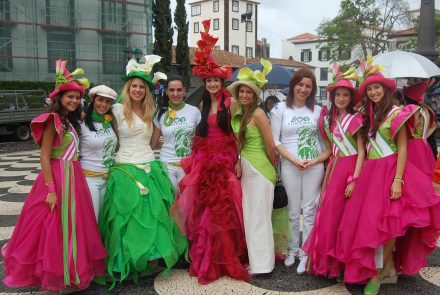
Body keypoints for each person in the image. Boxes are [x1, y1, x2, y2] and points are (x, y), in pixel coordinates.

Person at [335, 57, 440, 295]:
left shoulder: (397, 113)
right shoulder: (370, 117)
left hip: (390, 171)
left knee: (390, 222)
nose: (373, 92)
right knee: (369, 222)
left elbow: (403, 148)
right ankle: (373, 268)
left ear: (386, 89)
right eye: (369, 89)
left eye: (377, 88)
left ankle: (382, 270)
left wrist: (398, 180)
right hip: (371, 174)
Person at [2, 60, 107, 292]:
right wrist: (50, 189)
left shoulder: (72, 122)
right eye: (70, 97)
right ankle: (57, 275)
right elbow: (44, 158)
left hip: (75, 176)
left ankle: (71, 272)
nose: (75, 101)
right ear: (60, 98)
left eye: (78, 97)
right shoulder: (51, 121)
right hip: (58, 177)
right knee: (53, 226)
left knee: (74, 226)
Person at [98, 55, 188, 288]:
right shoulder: (116, 110)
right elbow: (109, 138)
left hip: (149, 165)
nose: (138, 90)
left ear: (147, 91)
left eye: (142, 87)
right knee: (127, 216)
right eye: (134, 86)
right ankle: (125, 261)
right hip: (125, 167)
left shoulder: (152, 111)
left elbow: (158, 141)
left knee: (154, 214)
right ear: (128, 88)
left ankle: (150, 258)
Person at [171, 19, 249, 284]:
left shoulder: (232, 103)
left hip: (225, 162)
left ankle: (227, 256)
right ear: (205, 84)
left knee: (225, 210)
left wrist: (237, 160)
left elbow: (236, 134)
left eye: (216, 81)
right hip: (205, 161)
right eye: (209, 81)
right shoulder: (204, 103)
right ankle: (207, 256)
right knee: (205, 211)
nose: (213, 84)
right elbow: (200, 133)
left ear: (221, 81)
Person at [302, 65, 365, 279]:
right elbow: (330, 149)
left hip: (351, 170)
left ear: (351, 97)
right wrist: (314, 161)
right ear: (333, 97)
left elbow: (362, 152)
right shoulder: (329, 120)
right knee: (329, 216)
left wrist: (354, 179)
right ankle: (328, 262)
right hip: (333, 170)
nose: (341, 98)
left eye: (345, 94)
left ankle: (344, 264)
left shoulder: (357, 120)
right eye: (338, 94)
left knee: (347, 219)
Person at [270, 68, 331, 274]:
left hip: (314, 167)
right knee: (294, 212)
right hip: (290, 166)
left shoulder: (318, 111)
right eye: (300, 84)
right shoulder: (280, 109)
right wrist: (293, 160)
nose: (303, 89)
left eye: (308, 86)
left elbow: (327, 145)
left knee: (311, 211)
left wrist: (315, 161)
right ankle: (293, 250)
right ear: (293, 85)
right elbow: (275, 140)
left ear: (312, 89)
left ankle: (307, 253)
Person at [228, 59, 277, 275]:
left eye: (249, 92)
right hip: (247, 168)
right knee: (250, 216)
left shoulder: (258, 114)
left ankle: (264, 265)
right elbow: (239, 143)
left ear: (255, 95)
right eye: (242, 92)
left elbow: (270, 146)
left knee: (259, 217)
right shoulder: (241, 113)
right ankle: (258, 261)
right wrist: (239, 160)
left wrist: (272, 169)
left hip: (260, 171)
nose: (245, 95)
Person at [151, 75, 201, 193]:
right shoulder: (160, 114)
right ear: (167, 92)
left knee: (186, 205)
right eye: (172, 90)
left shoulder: (194, 111)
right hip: (167, 166)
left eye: (179, 90)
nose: (175, 93)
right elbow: (153, 143)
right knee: (171, 204)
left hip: (188, 166)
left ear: (184, 91)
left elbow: (200, 140)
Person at [80, 85, 118, 221]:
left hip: (109, 179)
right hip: (90, 179)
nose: (104, 104)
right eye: (100, 100)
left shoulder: (111, 122)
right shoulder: (81, 123)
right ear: (93, 101)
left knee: (104, 219)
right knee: (92, 219)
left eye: (108, 102)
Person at [402, 80, 437, 177]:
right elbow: (434, 126)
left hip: (412, 146)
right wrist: (423, 136)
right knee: (425, 172)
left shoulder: (411, 109)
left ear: (406, 98)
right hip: (424, 144)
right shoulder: (425, 109)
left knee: (414, 175)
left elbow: (413, 126)